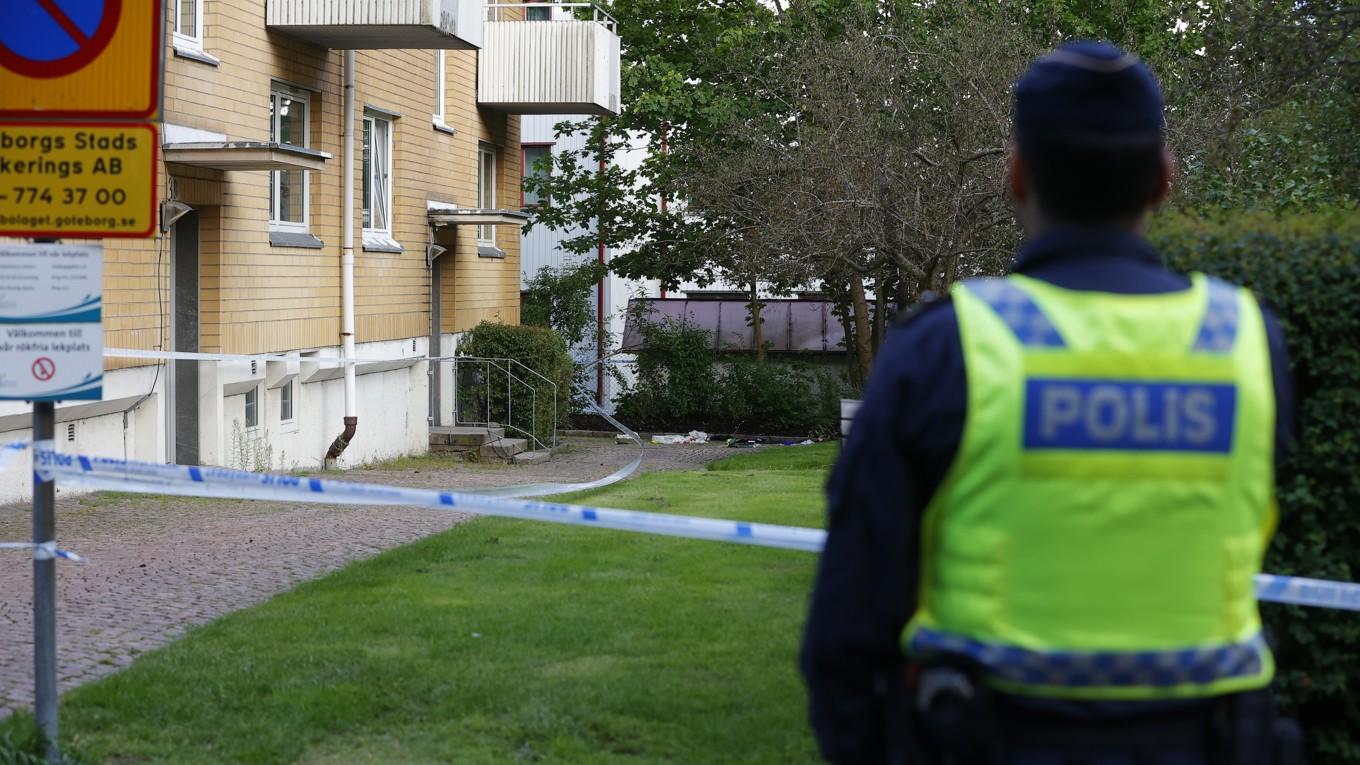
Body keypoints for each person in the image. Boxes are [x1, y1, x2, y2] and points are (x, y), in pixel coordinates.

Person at [800, 40, 1301, 764]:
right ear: (1163, 180)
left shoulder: (947, 348)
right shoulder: (1251, 345)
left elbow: (846, 637)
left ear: (1016, 174)